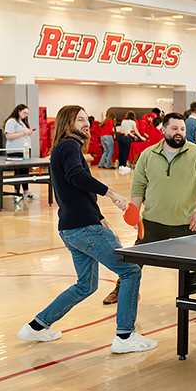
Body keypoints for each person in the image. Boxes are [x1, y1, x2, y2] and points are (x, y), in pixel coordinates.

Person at [18, 104, 157, 353]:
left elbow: (74, 193)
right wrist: (111, 193)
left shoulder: (62, 148)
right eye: (79, 119)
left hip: (71, 228)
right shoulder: (69, 145)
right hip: (83, 228)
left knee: (86, 285)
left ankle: (37, 326)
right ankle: (125, 336)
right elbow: (75, 176)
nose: (86, 124)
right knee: (130, 272)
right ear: (67, 124)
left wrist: (101, 218)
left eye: (86, 119)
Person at [102, 112, 196, 306]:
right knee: (135, 260)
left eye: (182, 129)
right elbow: (138, 186)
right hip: (153, 222)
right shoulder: (148, 155)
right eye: (175, 128)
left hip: (188, 223)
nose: (179, 132)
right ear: (164, 129)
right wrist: (135, 215)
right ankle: (120, 289)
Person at [3, 104, 40, 200]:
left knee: (25, 171)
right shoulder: (11, 121)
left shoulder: (22, 122)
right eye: (24, 113)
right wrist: (24, 133)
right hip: (15, 150)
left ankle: (26, 191)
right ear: (18, 111)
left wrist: (29, 133)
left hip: (25, 150)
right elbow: (9, 136)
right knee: (18, 171)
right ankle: (16, 192)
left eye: (27, 114)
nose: (25, 115)